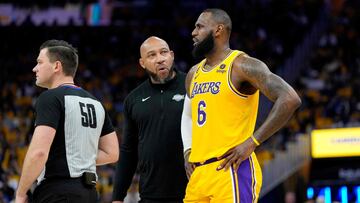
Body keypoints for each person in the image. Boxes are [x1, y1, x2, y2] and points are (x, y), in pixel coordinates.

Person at [181, 9, 302, 203]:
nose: (193, 32)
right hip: (199, 173)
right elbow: (187, 115)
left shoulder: (242, 65)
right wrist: (188, 150)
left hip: (232, 169)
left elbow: (290, 98)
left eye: (199, 26)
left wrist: (252, 142)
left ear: (218, 30)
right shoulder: (193, 73)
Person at [15, 39, 119, 203]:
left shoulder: (50, 98)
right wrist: (74, 157)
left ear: (56, 66)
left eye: (40, 62)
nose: (35, 68)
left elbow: (39, 153)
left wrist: (20, 194)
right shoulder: (96, 103)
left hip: (57, 192)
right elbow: (112, 153)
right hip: (90, 193)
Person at [112, 36, 188, 203]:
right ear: (142, 63)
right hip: (151, 194)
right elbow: (128, 151)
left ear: (172, 55)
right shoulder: (133, 99)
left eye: (164, 52)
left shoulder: (192, 85)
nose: (160, 59)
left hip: (193, 191)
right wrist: (118, 197)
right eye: (152, 55)